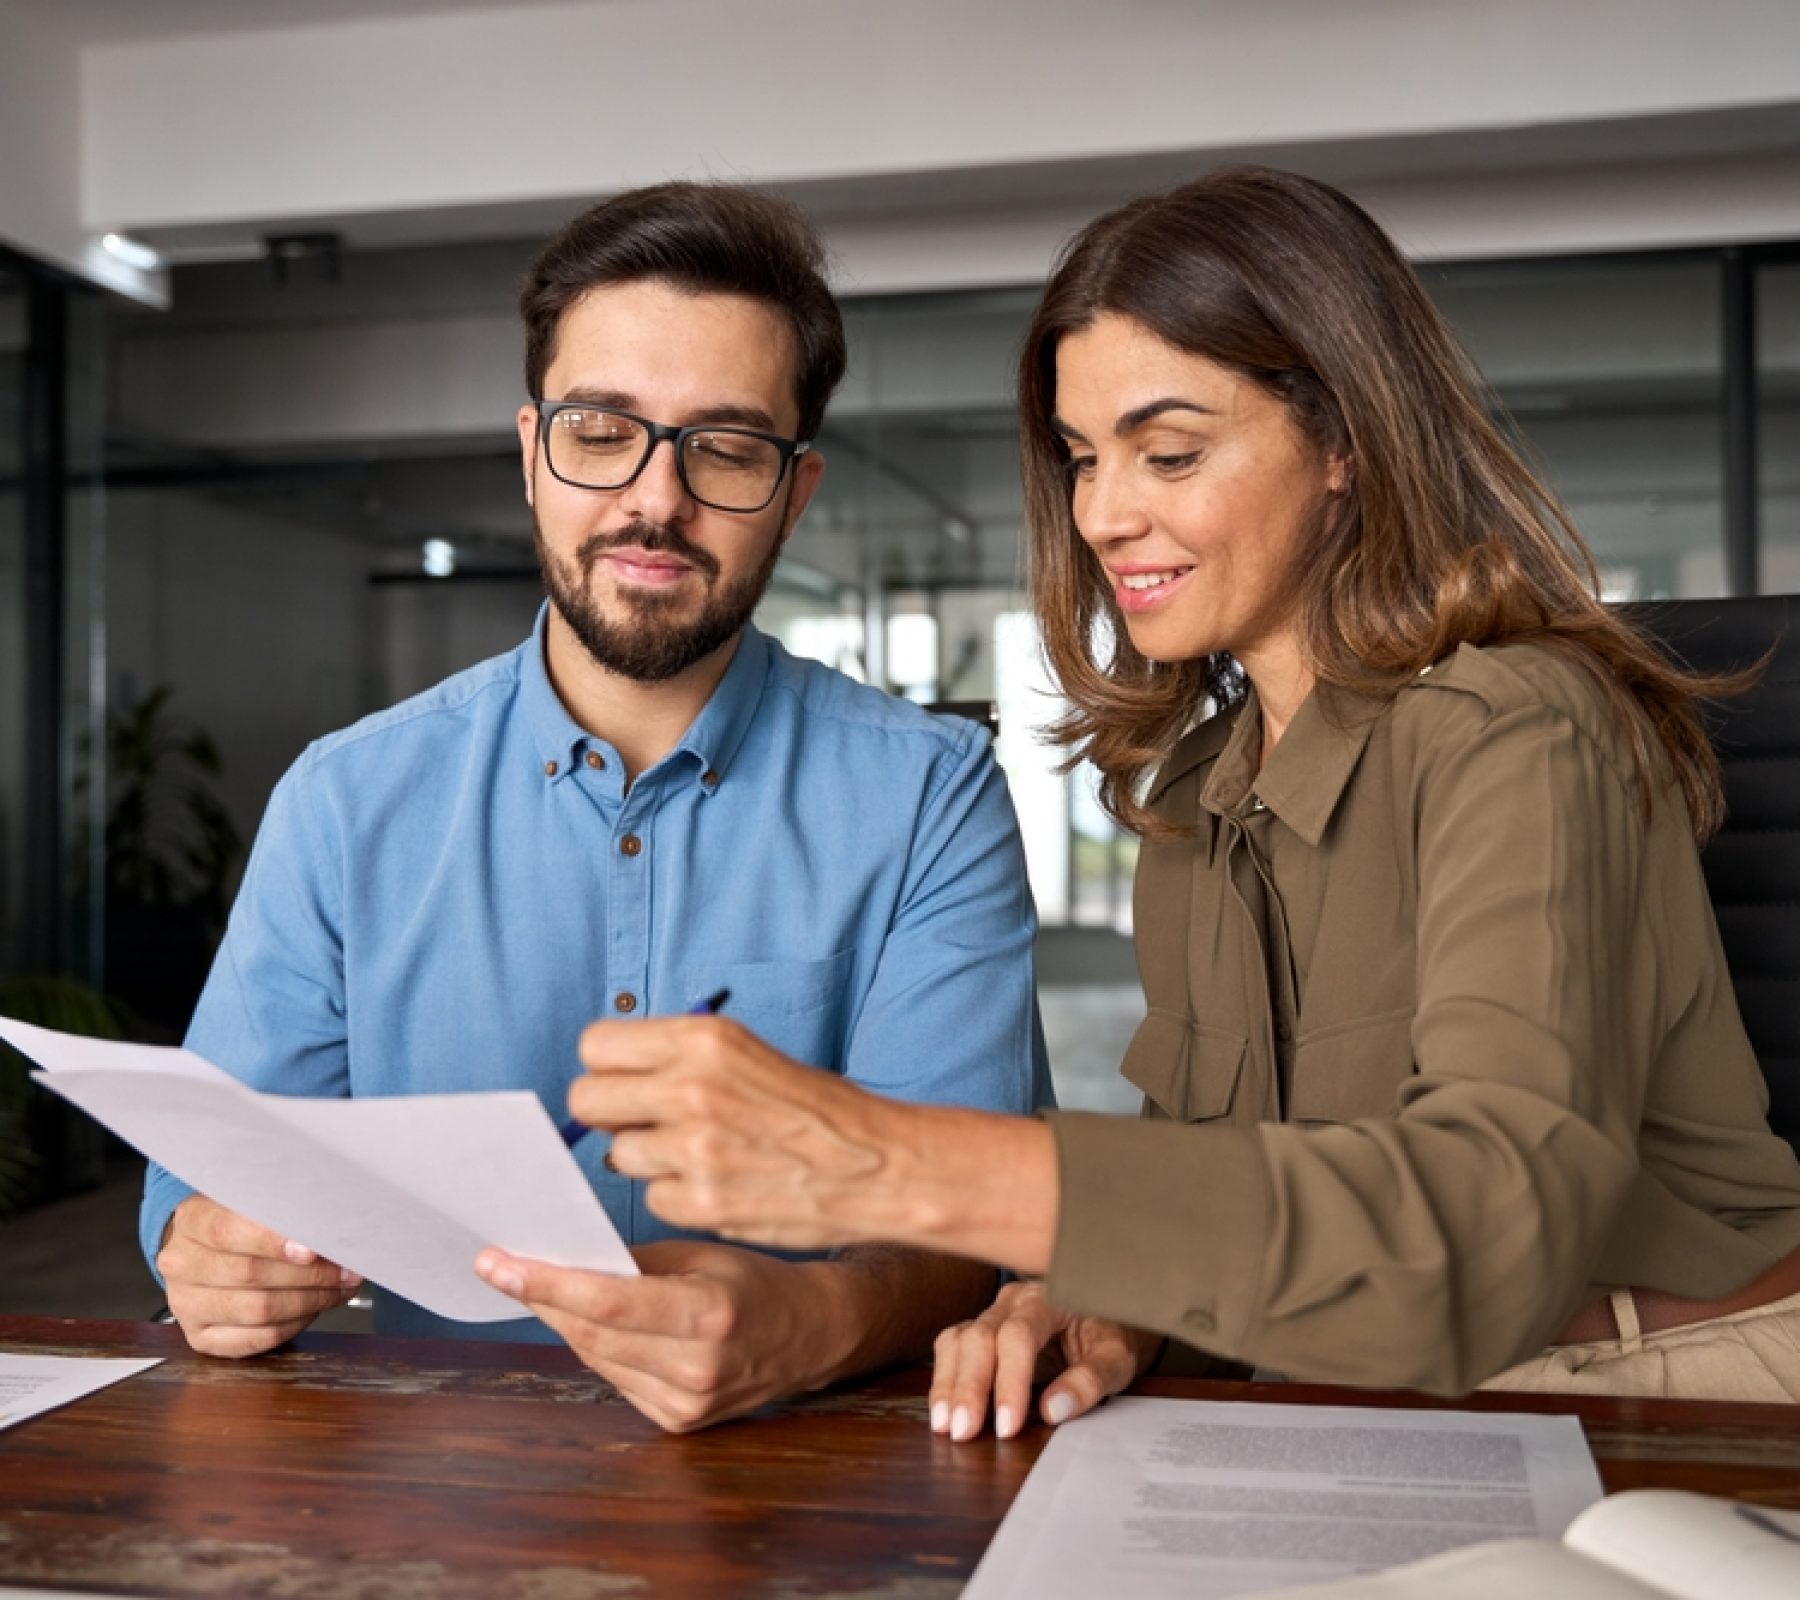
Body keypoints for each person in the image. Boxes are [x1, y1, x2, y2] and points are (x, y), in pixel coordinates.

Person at [554, 167, 1800, 1436]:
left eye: (1171, 451)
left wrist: (892, 1161)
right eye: (1084, 458)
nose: (1101, 511)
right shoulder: (1199, 797)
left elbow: (1480, 1242)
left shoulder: (1522, 727)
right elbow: (1241, 1195)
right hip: (1353, 1390)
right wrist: (1120, 1296)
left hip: (1668, 1400)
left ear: (1343, 442)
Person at [140, 181, 1050, 1432]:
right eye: (603, 429)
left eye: (725, 448)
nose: (656, 500)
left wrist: (811, 1322)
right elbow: (205, 1176)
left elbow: (971, 1222)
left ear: (796, 491)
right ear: (531, 452)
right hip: (436, 1489)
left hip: (820, 1486)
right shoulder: (346, 801)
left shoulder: (928, 797)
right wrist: (205, 1250)